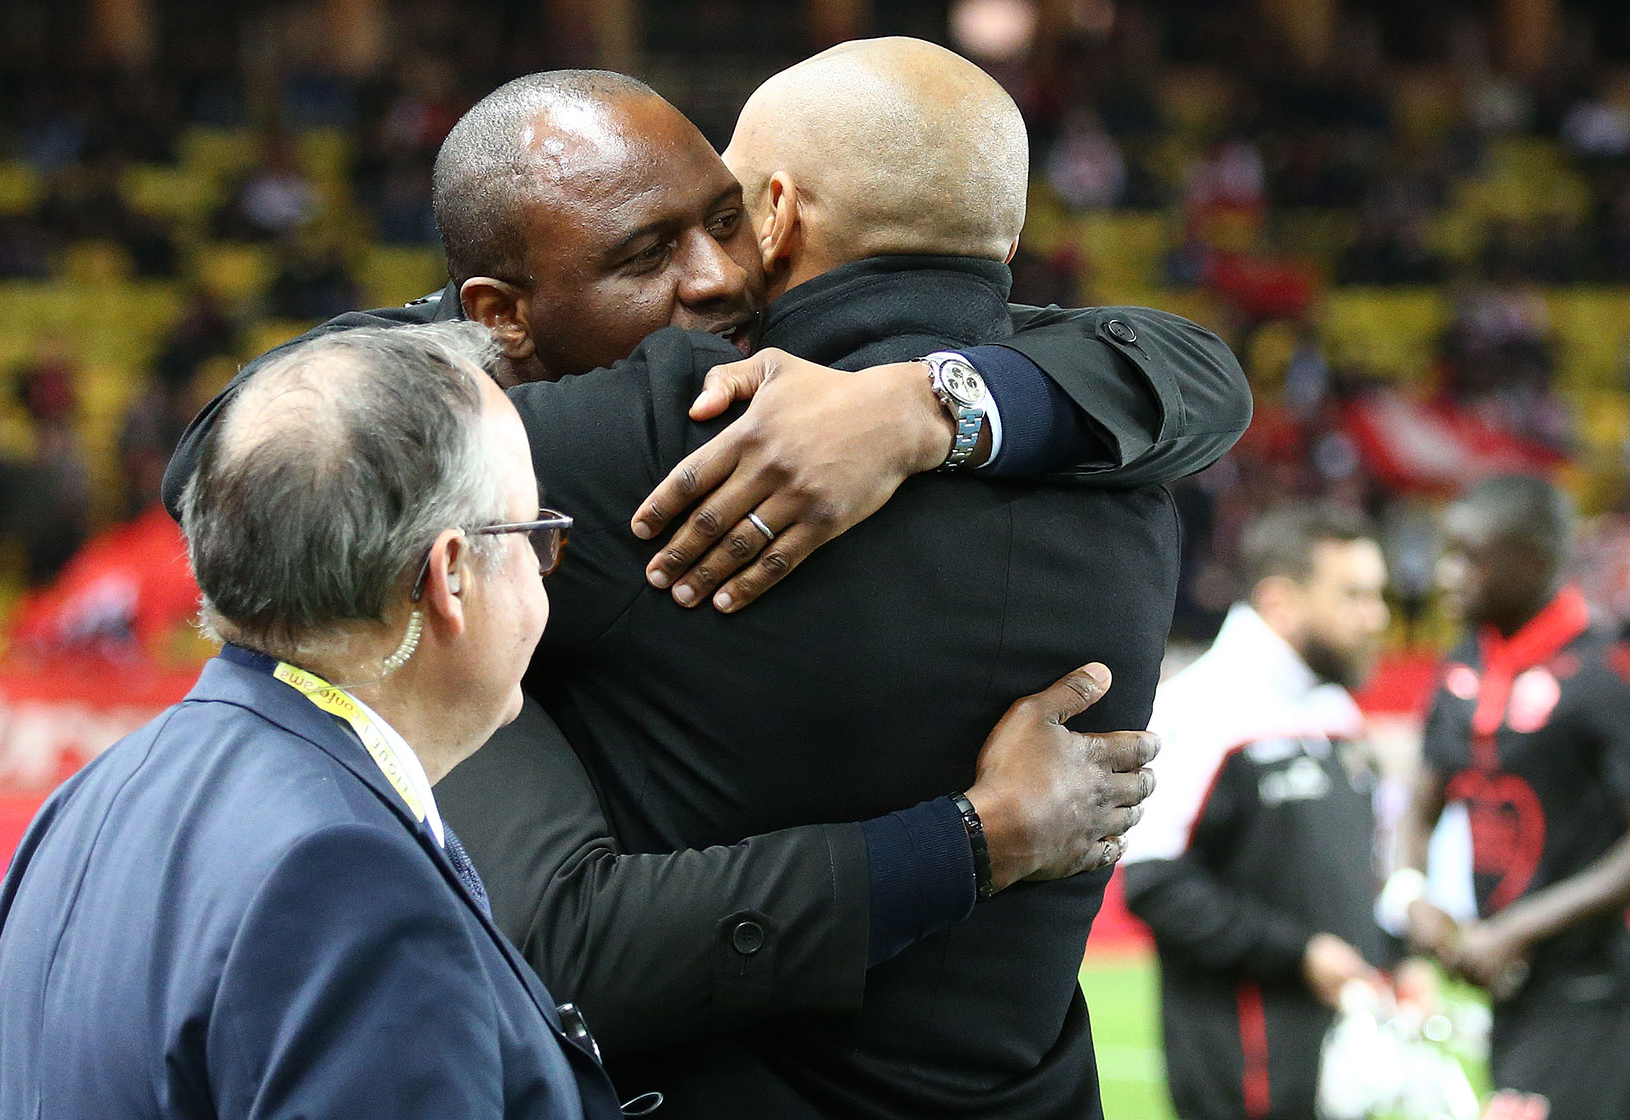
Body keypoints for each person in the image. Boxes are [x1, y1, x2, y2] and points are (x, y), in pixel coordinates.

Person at [162, 45, 1244, 1114]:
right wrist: (938, 402)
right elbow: (1199, 368)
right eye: (652, 248)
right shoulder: (1117, 450)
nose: (717, 275)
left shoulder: (657, 432)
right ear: (1006, 238)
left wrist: (484, 322)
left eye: (725, 217)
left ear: (778, 215)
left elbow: (241, 462)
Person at [0, 323, 620, 1119]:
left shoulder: (83, 803)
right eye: (533, 535)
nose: (544, 567)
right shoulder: (350, 877)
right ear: (449, 574)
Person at [1122, 504, 1395, 1120]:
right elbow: (1155, 886)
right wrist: (1301, 954)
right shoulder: (1201, 709)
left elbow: (1356, 874)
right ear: (1280, 602)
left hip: (1341, 1054)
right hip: (1241, 1063)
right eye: (1353, 596)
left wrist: (1395, 958)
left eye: (1377, 595)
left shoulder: (1336, 712)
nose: (1376, 617)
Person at [1391, 474, 1630, 1120]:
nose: (1446, 575)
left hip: (1599, 989)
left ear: (1536, 560)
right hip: (1508, 988)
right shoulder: (1463, 666)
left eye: (1469, 557)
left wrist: (1520, 928)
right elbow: (1421, 808)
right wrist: (1413, 895)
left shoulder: (1607, 672)